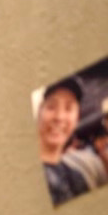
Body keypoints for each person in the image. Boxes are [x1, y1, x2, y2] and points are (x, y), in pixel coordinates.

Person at [37, 76, 90, 208]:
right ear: (39, 112)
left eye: (68, 108)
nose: (59, 117)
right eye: (51, 107)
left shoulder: (77, 179)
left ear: (77, 118)